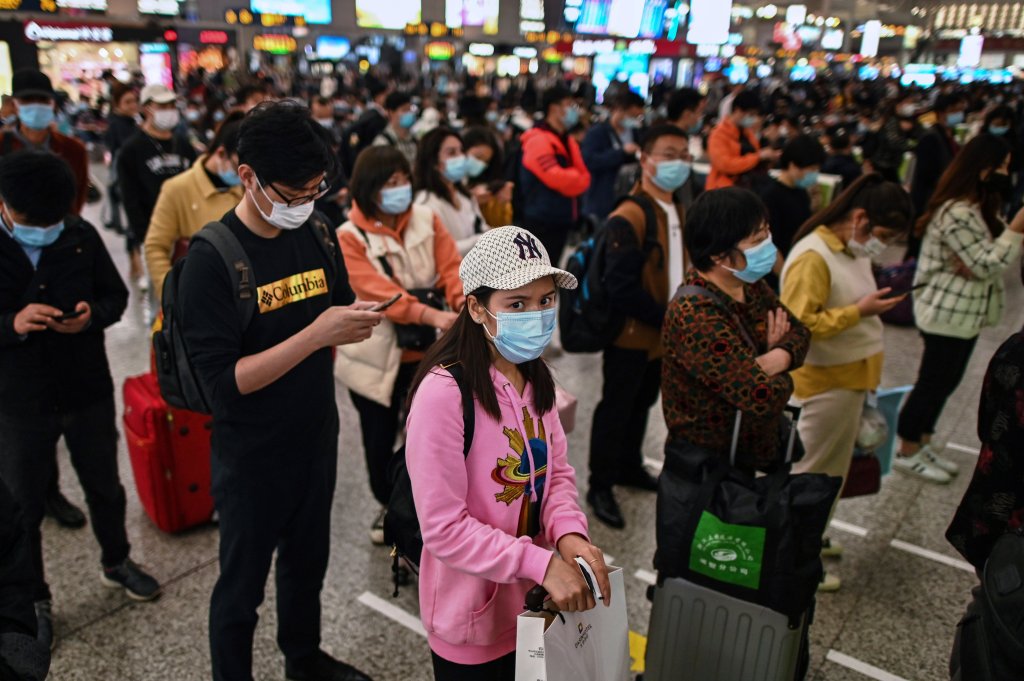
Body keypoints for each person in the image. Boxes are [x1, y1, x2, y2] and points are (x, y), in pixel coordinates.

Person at [177, 102, 378, 681]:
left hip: (314, 434)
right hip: (252, 455)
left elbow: (334, 302)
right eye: (291, 194)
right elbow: (223, 385)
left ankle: (304, 657)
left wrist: (356, 316)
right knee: (240, 589)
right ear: (248, 177)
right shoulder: (212, 261)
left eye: (315, 190)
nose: (304, 204)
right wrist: (315, 335)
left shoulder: (316, 229)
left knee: (306, 565)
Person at [405, 226, 611, 680]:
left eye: (545, 301)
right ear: (477, 308)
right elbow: (443, 528)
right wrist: (538, 562)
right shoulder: (444, 395)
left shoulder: (536, 377)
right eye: (516, 304)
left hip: (537, 605)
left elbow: (555, 474)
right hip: (473, 622)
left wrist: (568, 535)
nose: (536, 316)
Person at [0, 151, 161, 651]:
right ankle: (34, 598)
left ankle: (116, 560)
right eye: (34, 224)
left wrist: (92, 314)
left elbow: (115, 298)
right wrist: (11, 323)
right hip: (18, 399)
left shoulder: (78, 235)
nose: (46, 231)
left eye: (54, 221)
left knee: (105, 487)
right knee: (23, 506)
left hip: (84, 386)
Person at [780, 174, 914, 591]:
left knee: (831, 474)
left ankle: (813, 538)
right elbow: (800, 326)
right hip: (822, 384)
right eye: (883, 235)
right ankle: (794, 557)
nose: (882, 244)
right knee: (812, 474)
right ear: (860, 219)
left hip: (849, 380)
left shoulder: (849, 251)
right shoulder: (813, 256)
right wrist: (859, 311)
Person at [335, 145, 464, 546]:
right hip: (376, 357)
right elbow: (380, 294)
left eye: (404, 180)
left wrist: (462, 304)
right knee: (377, 437)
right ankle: (387, 504)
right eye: (390, 183)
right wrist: (433, 316)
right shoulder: (349, 237)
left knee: (426, 437)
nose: (401, 189)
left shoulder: (427, 219)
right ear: (369, 189)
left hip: (426, 353)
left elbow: (451, 268)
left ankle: (418, 506)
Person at [895, 134, 1024, 484]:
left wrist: (988, 253)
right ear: (982, 168)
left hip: (963, 314)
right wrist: (1014, 231)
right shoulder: (956, 212)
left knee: (947, 381)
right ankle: (907, 449)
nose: (1004, 173)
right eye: (1000, 166)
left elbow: (980, 261)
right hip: (944, 314)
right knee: (932, 382)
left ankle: (923, 440)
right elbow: (987, 263)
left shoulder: (976, 206)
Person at [662, 187, 810, 475]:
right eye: (757, 240)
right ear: (719, 255)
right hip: (708, 468)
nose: (768, 244)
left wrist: (774, 358)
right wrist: (781, 367)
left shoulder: (748, 284)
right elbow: (761, 396)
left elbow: (801, 332)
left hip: (746, 453)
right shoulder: (695, 313)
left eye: (766, 233)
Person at [586, 125, 690, 529]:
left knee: (643, 402)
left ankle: (629, 465)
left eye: (683, 153)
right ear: (645, 160)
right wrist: (669, 319)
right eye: (668, 153)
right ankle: (600, 484)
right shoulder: (629, 214)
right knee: (616, 406)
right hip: (632, 334)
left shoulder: (678, 207)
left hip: (660, 337)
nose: (677, 162)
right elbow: (621, 287)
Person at [946, 321, 1024, 571]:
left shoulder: (1015, 350)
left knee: (996, 590)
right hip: (1007, 504)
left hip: (1001, 499)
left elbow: (987, 425)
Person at [144, 118, 245, 297]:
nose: (242, 176)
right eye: (237, 167)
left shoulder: (246, 189)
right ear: (221, 153)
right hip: (194, 293)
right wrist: (172, 296)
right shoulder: (177, 188)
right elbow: (155, 247)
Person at [117, 84, 197, 289]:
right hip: (155, 234)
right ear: (146, 108)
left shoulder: (184, 145)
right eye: (161, 105)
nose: (168, 110)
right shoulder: (132, 149)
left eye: (171, 105)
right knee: (161, 295)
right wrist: (144, 237)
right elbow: (129, 197)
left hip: (189, 232)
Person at [517, 85, 591, 264]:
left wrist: (576, 179)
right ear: (554, 108)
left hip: (561, 218)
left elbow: (585, 177)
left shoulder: (567, 140)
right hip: (541, 221)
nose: (574, 111)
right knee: (536, 273)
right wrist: (576, 179)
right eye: (569, 105)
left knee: (552, 269)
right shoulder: (538, 140)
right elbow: (557, 178)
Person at [0, 69, 89, 216]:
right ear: (14, 105)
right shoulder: (2, 145)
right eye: (27, 100)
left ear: (53, 104)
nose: (36, 106)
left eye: (43, 100)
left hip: (60, 230)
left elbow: (76, 197)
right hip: (11, 232)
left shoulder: (74, 149)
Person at [907, 93, 966, 258]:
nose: (959, 114)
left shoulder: (950, 137)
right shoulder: (931, 138)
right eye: (955, 110)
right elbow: (927, 175)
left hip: (942, 199)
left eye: (961, 110)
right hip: (929, 201)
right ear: (941, 112)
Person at [414, 127, 487, 256]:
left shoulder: (463, 195)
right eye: (452, 153)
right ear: (434, 162)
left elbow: (480, 226)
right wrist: (480, 241)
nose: (461, 157)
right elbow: (438, 249)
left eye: (461, 151)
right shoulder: (425, 203)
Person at [758, 134, 826, 260]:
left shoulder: (801, 191)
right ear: (793, 165)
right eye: (812, 169)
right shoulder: (771, 196)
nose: (814, 174)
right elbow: (769, 244)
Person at [580, 91, 645, 223]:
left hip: (625, 196)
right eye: (632, 116)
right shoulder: (597, 133)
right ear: (619, 110)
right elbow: (589, 161)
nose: (634, 120)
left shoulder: (635, 133)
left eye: (638, 117)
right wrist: (621, 152)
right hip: (601, 199)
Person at [706, 90, 780, 191]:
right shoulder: (718, 134)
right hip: (723, 190)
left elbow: (755, 154)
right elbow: (725, 165)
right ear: (737, 110)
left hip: (747, 187)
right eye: (751, 114)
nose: (753, 118)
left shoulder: (747, 133)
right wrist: (758, 157)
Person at [103, 82, 138, 236]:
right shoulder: (117, 125)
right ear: (117, 105)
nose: (133, 105)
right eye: (127, 102)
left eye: (134, 101)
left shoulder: (131, 122)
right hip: (127, 179)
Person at [463, 126, 513, 228]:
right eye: (477, 157)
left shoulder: (487, 189)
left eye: (486, 161)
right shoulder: (451, 179)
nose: (480, 164)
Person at [372, 91, 418, 167]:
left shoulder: (414, 140)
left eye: (410, 109)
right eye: (404, 110)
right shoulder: (383, 143)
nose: (409, 113)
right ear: (390, 112)